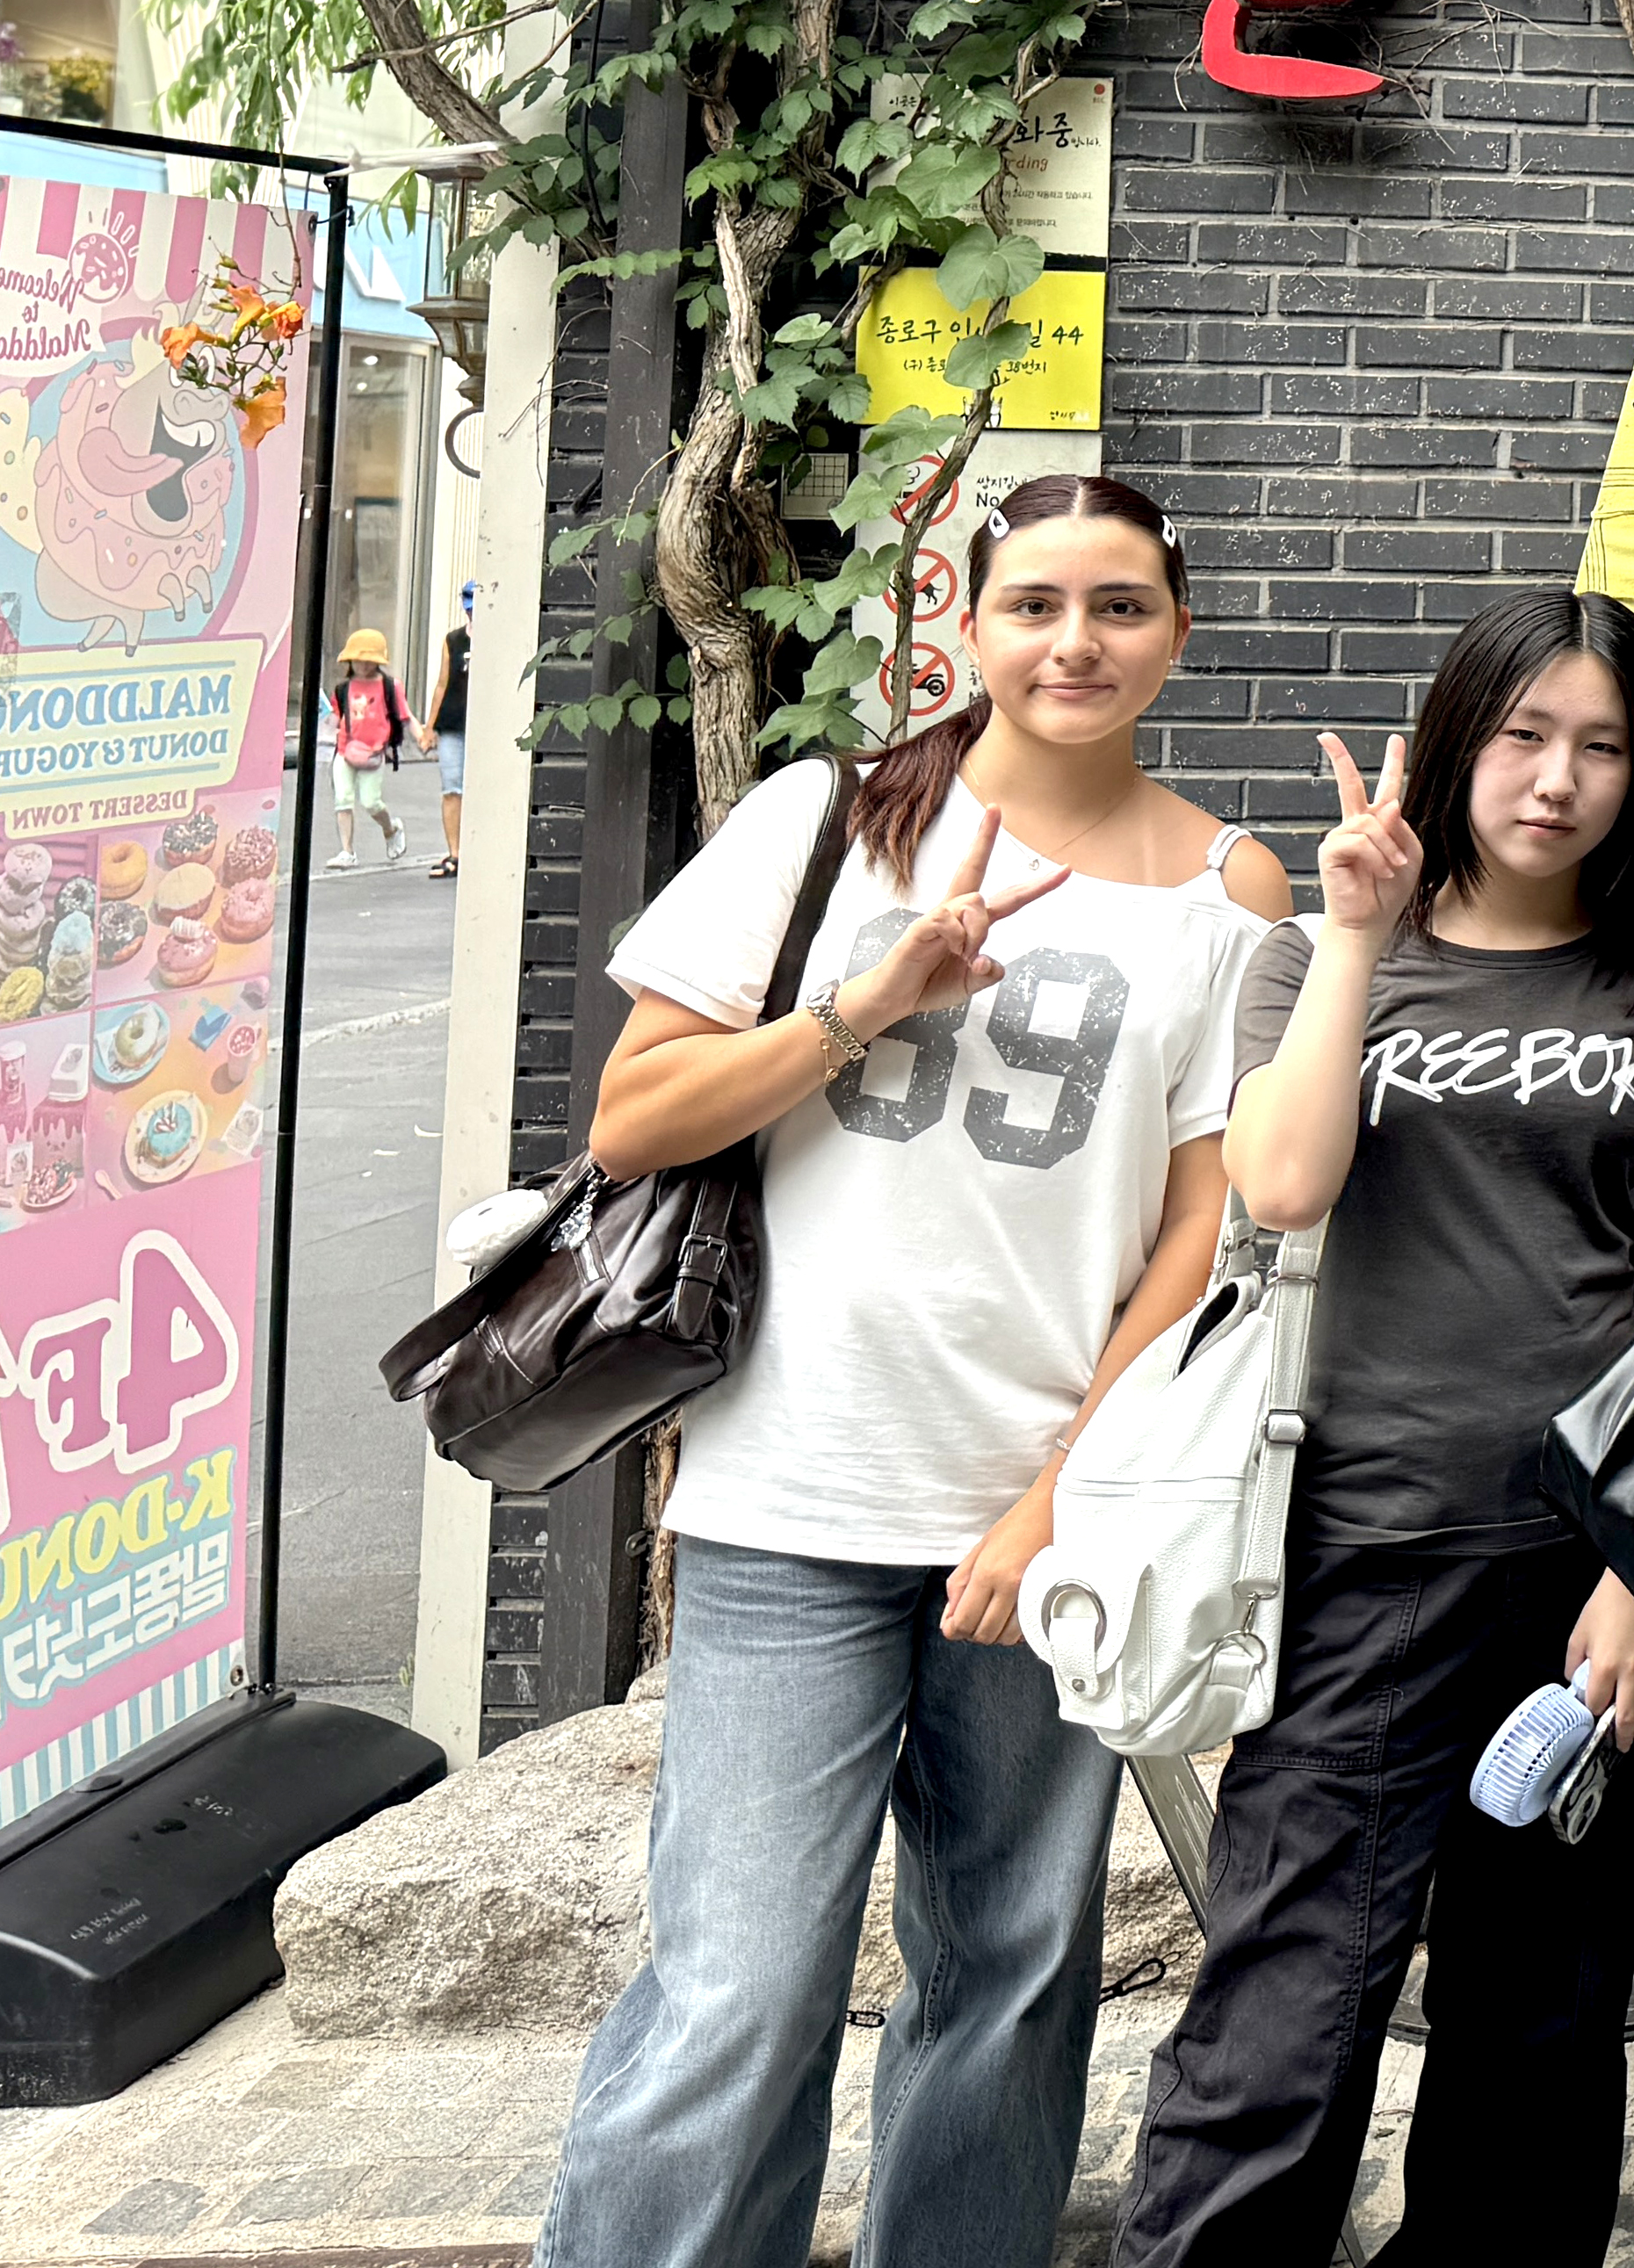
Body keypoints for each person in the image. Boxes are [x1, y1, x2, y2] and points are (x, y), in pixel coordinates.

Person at [531, 473, 1288, 2268]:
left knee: (1012, 1976)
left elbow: (1199, 1239)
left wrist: (1056, 1500)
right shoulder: (829, 821)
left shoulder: (1225, 888)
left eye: (1117, 606)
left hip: (1044, 1517)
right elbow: (635, 1119)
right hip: (791, 1491)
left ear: (1175, 632)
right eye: (1034, 604)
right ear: (967, 622)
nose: (1074, 641)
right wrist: (868, 1004)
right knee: (739, 1984)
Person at [1115, 589, 1634, 2266]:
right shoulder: (1319, 955)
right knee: (1286, 2006)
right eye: (1524, 733)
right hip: (1361, 1553)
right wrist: (1348, 932)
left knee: (1534, 2033)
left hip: (1575, 1574)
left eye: (1603, 744)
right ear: (1459, 733)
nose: (1557, 778)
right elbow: (1276, 1183)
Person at [324, 628, 413, 870]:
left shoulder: (389, 686)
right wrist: (323, 727)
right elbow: (334, 716)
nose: (363, 665)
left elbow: (405, 716)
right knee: (342, 799)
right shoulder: (343, 689)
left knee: (372, 803)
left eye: (369, 661)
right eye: (358, 660)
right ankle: (347, 851)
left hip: (374, 753)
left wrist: (423, 736)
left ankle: (391, 828)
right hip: (345, 750)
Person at [432, 584, 475, 878]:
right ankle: (455, 853)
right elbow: (442, 683)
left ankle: (477, 850)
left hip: (483, 724)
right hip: (453, 722)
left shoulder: (500, 638)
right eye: (468, 601)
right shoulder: (454, 639)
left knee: (480, 788)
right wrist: (428, 726)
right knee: (452, 788)